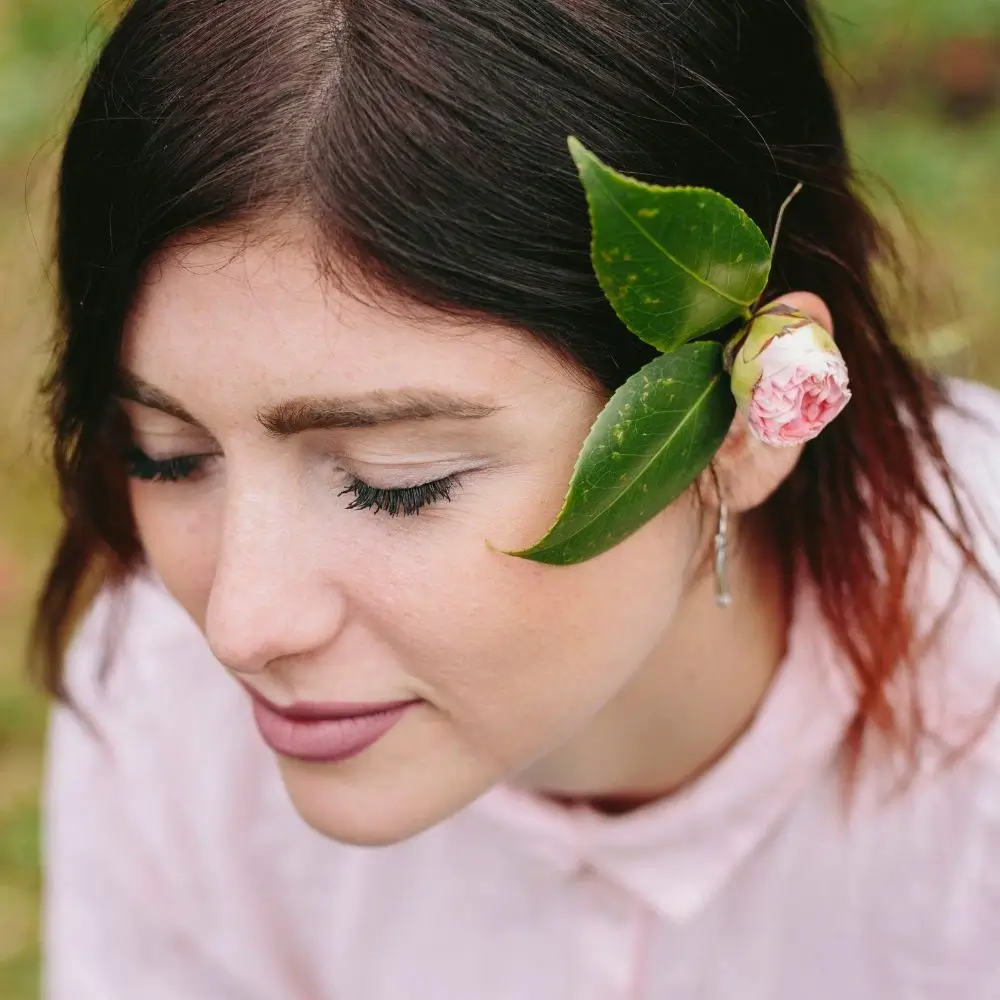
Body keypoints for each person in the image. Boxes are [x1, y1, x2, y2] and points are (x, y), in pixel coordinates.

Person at [33, 0, 1000, 997]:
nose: (238, 624)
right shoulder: (158, 696)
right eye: (168, 455)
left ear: (753, 418)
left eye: (394, 484)